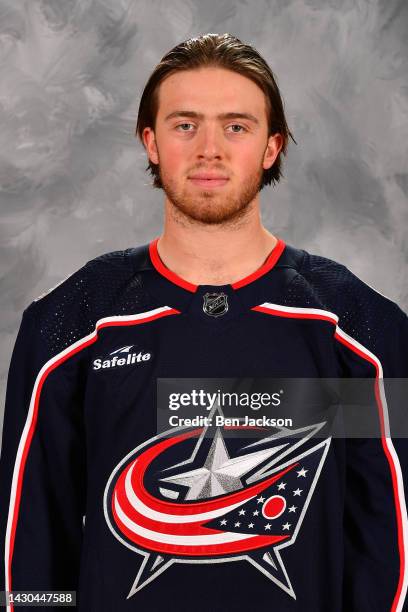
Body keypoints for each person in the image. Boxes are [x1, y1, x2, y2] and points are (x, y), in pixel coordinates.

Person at [0, 32, 407, 612]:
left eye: (236, 126)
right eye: (185, 124)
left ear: (272, 146)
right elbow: (31, 546)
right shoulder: (71, 325)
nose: (209, 149)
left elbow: (392, 540)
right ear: (151, 142)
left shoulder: (361, 331)